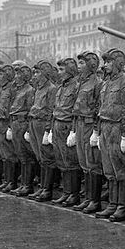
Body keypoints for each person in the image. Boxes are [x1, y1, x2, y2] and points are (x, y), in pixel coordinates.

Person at [95, 48, 125, 221]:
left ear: (119, 64)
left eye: (109, 62)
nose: (105, 65)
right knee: (108, 169)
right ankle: (112, 204)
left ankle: (121, 207)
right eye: (105, 62)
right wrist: (97, 132)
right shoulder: (105, 83)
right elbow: (100, 108)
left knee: (121, 169)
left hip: (117, 128)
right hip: (105, 126)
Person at [72, 51, 103, 214]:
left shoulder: (97, 83)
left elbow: (99, 107)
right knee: (84, 163)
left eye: (82, 63)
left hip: (90, 125)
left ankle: (95, 201)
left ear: (91, 65)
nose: (79, 66)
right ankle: (88, 199)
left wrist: (96, 132)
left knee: (93, 164)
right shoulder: (81, 83)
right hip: (79, 123)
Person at [51, 58, 81, 207]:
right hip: (58, 124)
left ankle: (73, 194)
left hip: (67, 126)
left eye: (62, 69)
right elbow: (55, 109)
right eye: (59, 69)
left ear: (70, 70)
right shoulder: (61, 87)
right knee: (62, 161)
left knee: (71, 162)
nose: (59, 72)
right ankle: (66, 193)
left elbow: (76, 111)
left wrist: (73, 131)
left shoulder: (76, 86)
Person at [27, 60, 57, 202]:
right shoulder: (38, 89)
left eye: (37, 72)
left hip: (42, 123)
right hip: (34, 122)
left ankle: (47, 189)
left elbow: (51, 111)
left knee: (47, 158)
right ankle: (42, 187)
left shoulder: (51, 89)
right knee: (39, 157)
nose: (35, 75)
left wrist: (47, 131)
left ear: (45, 73)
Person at [9, 62, 36, 196]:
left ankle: (28, 185)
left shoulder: (29, 90)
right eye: (16, 73)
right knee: (20, 155)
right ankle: (23, 184)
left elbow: (30, 109)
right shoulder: (17, 90)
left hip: (23, 123)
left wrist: (28, 129)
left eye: (19, 74)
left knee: (26, 156)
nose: (16, 76)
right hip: (15, 123)